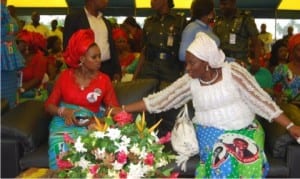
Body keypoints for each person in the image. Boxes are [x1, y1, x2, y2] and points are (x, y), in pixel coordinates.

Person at [112, 32, 300, 178]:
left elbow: (261, 101)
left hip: (246, 129)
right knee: (224, 161)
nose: (187, 68)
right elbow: (159, 101)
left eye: (192, 63)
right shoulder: (190, 81)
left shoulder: (234, 72)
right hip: (211, 132)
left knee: (249, 159)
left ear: (207, 62)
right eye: (187, 63)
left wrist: (290, 126)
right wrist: (122, 109)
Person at [45, 29, 120, 169]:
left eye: (99, 56)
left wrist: (100, 120)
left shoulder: (104, 80)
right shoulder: (64, 76)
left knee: (90, 149)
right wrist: (63, 111)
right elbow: (49, 105)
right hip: (63, 122)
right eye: (94, 57)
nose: (99, 60)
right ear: (82, 59)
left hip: (90, 122)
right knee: (60, 148)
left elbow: (113, 108)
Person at [63, 0, 121, 81]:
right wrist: (78, 72)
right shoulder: (74, 19)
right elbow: (68, 49)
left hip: (107, 70)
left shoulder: (106, 22)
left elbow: (112, 48)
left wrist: (117, 71)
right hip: (85, 71)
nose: (107, 1)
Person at [134, 0, 187, 89]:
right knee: (147, 99)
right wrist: (135, 76)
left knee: (168, 100)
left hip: (171, 70)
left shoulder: (179, 21)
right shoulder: (149, 21)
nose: (151, 2)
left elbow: (185, 50)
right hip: (150, 69)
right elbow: (144, 50)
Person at [213, 0, 261, 73]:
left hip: (240, 63)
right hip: (223, 63)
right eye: (221, 4)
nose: (222, 7)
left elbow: (256, 41)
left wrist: (256, 60)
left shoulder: (245, 18)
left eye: (225, 4)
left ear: (233, 3)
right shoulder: (219, 20)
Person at [1, 0, 24, 108]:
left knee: (10, 98)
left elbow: (14, 27)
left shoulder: (6, 11)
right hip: (5, 54)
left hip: (10, 56)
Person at [272, 34, 300, 121]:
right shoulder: (281, 69)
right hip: (288, 110)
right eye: (299, 49)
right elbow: (272, 89)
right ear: (292, 50)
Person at [16, 30, 49, 103]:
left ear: (27, 45)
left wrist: (21, 90)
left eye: (18, 42)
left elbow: (37, 80)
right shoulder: (16, 55)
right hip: (16, 90)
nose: (16, 44)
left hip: (34, 94)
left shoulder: (40, 58)